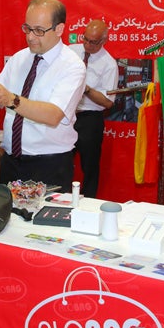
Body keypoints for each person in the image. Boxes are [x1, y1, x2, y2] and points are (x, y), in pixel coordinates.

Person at [0, 0, 85, 193]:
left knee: (46, 214)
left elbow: (53, 114)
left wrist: (11, 99)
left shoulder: (72, 66)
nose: (31, 37)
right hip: (11, 161)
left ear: (59, 29)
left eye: (39, 30)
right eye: (27, 28)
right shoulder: (19, 58)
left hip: (49, 166)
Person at [69, 19, 118, 198]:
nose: (88, 45)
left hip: (89, 119)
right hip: (66, 116)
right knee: (60, 160)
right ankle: (59, 198)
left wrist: (87, 89)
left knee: (89, 166)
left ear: (104, 41)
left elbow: (108, 102)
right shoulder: (70, 51)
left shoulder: (109, 64)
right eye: (85, 39)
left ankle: (89, 202)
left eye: (93, 42)